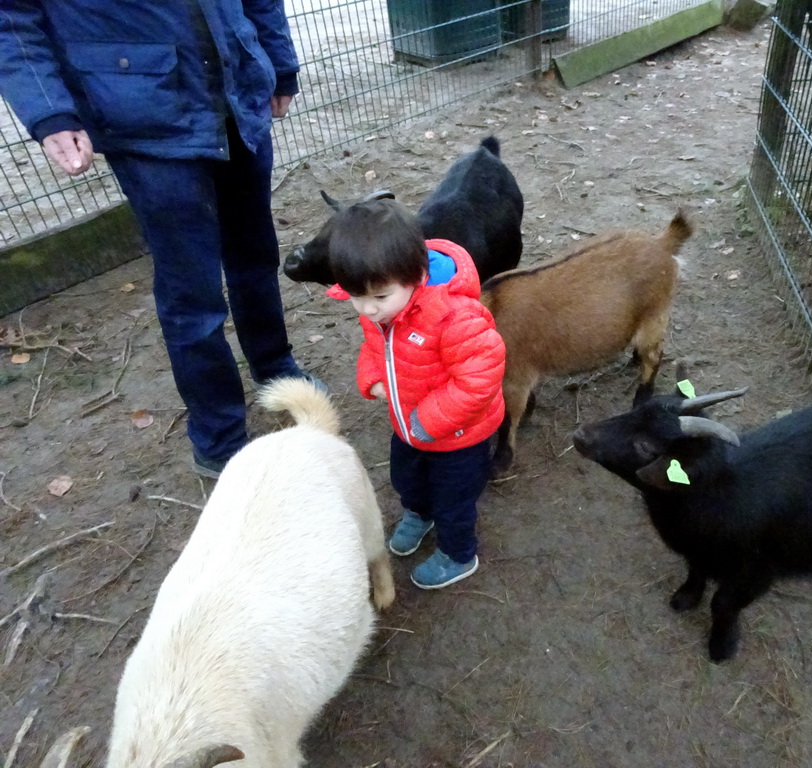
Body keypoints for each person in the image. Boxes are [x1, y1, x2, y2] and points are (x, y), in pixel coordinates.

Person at [0, 1, 321, 479]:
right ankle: (220, 435)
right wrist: (50, 111)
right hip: (144, 115)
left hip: (236, 95)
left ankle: (274, 367)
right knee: (192, 293)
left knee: (255, 256)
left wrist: (278, 61)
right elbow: (13, 15)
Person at [325, 198, 505, 589]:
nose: (367, 310)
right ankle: (418, 512)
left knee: (454, 500)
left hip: (458, 436)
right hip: (408, 424)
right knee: (407, 476)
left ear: (416, 274)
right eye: (357, 297)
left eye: (378, 298)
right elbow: (374, 348)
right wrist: (372, 378)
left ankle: (458, 554)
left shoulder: (455, 317)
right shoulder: (385, 306)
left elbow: (479, 379)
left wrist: (429, 419)